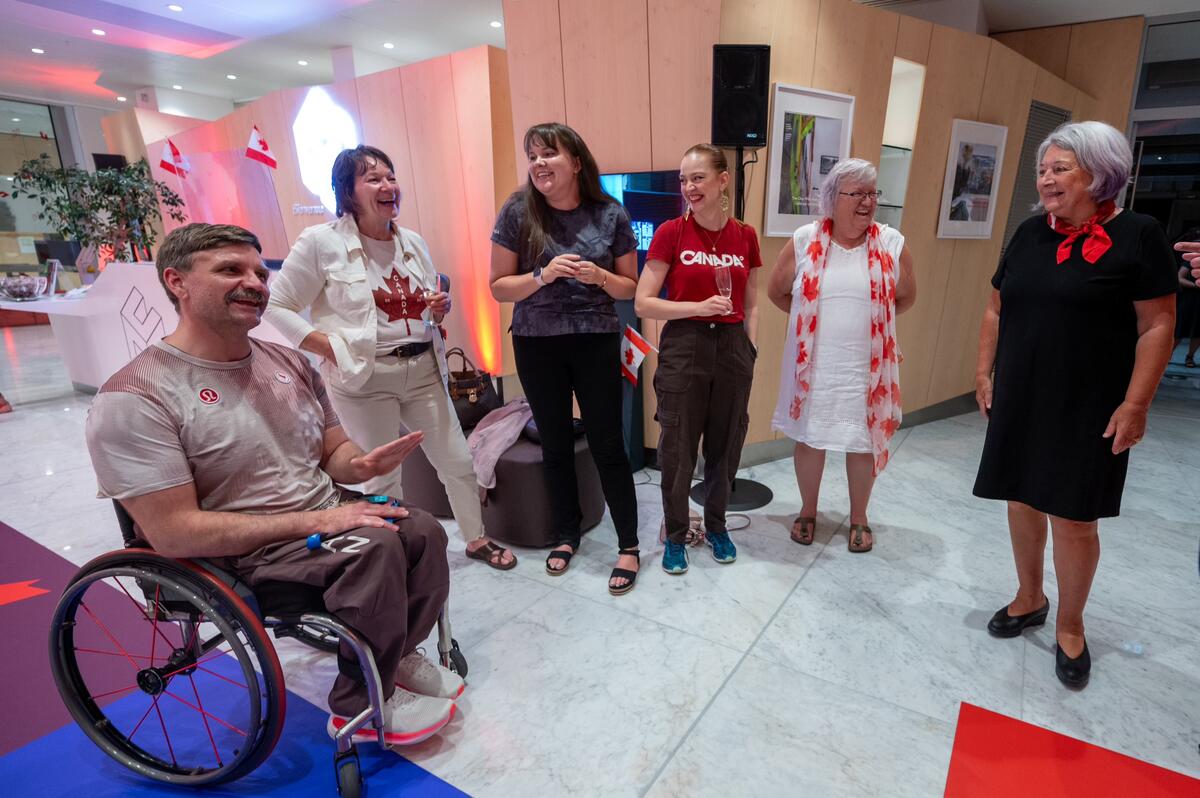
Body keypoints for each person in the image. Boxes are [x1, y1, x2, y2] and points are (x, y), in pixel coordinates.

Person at [85, 223, 461, 745]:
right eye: (230, 270)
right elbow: (173, 532)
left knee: (422, 530)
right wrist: (324, 519)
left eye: (261, 273)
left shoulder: (286, 361)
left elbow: (333, 451)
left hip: (317, 516)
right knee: (374, 548)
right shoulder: (135, 395)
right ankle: (359, 705)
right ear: (176, 282)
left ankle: (394, 656)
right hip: (240, 553)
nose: (255, 283)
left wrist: (360, 465)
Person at [973, 121, 1176, 689]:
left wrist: (1136, 404)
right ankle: (1029, 596)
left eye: (1060, 168)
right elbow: (995, 307)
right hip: (1022, 394)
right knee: (1019, 499)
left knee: (1074, 518)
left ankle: (1070, 624)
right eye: (1043, 169)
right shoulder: (1029, 233)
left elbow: (1158, 326)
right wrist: (984, 372)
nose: (1045, 179)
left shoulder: (1139, 235)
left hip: (1090, 405)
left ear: (1100, 174)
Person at [264, 145, 515, 571]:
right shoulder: (321, 243)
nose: (388, 186)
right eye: (374, 179)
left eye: (391, 177)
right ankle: (395, 554)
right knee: (382, 474)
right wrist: (328, 347)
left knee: (457, 460)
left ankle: (475, 539)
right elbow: (277, 304)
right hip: (364, 377)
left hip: (422, 369)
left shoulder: (411, 241)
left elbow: (423, 307)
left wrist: (440, 309)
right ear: (348, 191)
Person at [489, 122, 641, 595]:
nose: (538, 163)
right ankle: (566, 534)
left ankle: (629, 544)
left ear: (576, 162)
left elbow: (630, 288)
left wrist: (600, 278)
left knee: (607, 443)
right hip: (536, 342)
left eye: (548, 153)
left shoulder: (610, 213)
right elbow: (499, 287)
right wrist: (542, 275)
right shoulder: (518, 211)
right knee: (553, 443)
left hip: (595, 339)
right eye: (532, 155)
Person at [767, 158, 917, 553]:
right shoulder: (804, 240)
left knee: (862, 441)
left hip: (866, 368)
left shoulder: (892, 243)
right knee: (810, 438)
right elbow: (777, 290)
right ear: (833, 198)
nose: (868, 202)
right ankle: (808, 511)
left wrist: (875, 323)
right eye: (858, 194)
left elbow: (906, 297)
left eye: (872, 193)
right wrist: (808, 320)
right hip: (814, 366)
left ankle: (859, 518)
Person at [635, 143, 762, 575]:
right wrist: (697, 307)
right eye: (683, 179)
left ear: (723, 181)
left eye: (698, 178)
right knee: (677, 449)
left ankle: (717, 526)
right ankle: (675, 535)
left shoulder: (745, 235)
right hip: (684, 345)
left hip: (732, 347)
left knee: (726, 446)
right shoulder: (671, 232)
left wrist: (750, 348)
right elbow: (643, 302)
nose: (689, 187)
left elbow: (752, 302)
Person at [1172, 227, 1200, 367]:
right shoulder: (1191, 258)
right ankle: (1165, 356)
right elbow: (1179, 278)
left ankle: (1190, 357)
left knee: (1198, 331)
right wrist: (1195, 285)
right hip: (1189, 299)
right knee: (1180, 329)